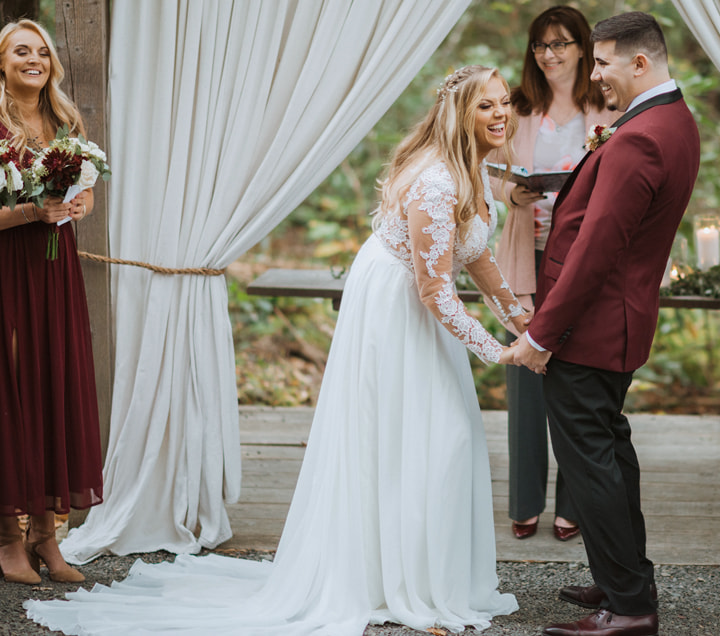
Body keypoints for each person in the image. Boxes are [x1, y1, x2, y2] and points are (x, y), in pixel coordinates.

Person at [25, 65, 525, 634]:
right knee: (422, 436)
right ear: (459, 113)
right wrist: (499, 351)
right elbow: (434, 287)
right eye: (486, 106)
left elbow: (475, 254)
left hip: (419, 303)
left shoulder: (476, 173)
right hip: (397, 310)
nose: (500, 114)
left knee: (443, 434)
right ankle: (392, 577)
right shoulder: (437, 182)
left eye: (504, 102)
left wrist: (519, 316)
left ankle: (429, 571)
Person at [511, 12, 699, 636]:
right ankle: (622, 575)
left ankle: (628, 608)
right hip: (615, 321)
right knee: (611, 454)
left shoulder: (642, 134)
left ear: (639, 64)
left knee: (591, 460)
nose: (595, 75)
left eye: (603, 63)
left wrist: (542, 334)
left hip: (591, 326)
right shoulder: (671, 119)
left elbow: (598, 248)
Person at [494, 5, 614, 543]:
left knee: (574, 380)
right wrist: (510, 191)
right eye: (541, 45)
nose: (549, 55)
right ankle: (524, 501)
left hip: (580, 260)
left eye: (561, 44)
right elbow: (486, 169)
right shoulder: (517, 110)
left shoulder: (605, 109)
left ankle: (573, 503)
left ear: (583, 49)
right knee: (524, 377)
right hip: (526, 253)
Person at [0, 19, 102, 587]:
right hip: (7, 271)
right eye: (21, 51)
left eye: (41, 52)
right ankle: (7, 538)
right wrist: (29, 212)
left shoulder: (65, 121)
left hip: (54, 268)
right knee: (10, 391)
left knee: (49, 386)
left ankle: (46, 535)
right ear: (2, 61)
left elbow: (81, 184)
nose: (34, 60)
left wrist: (81, 200)